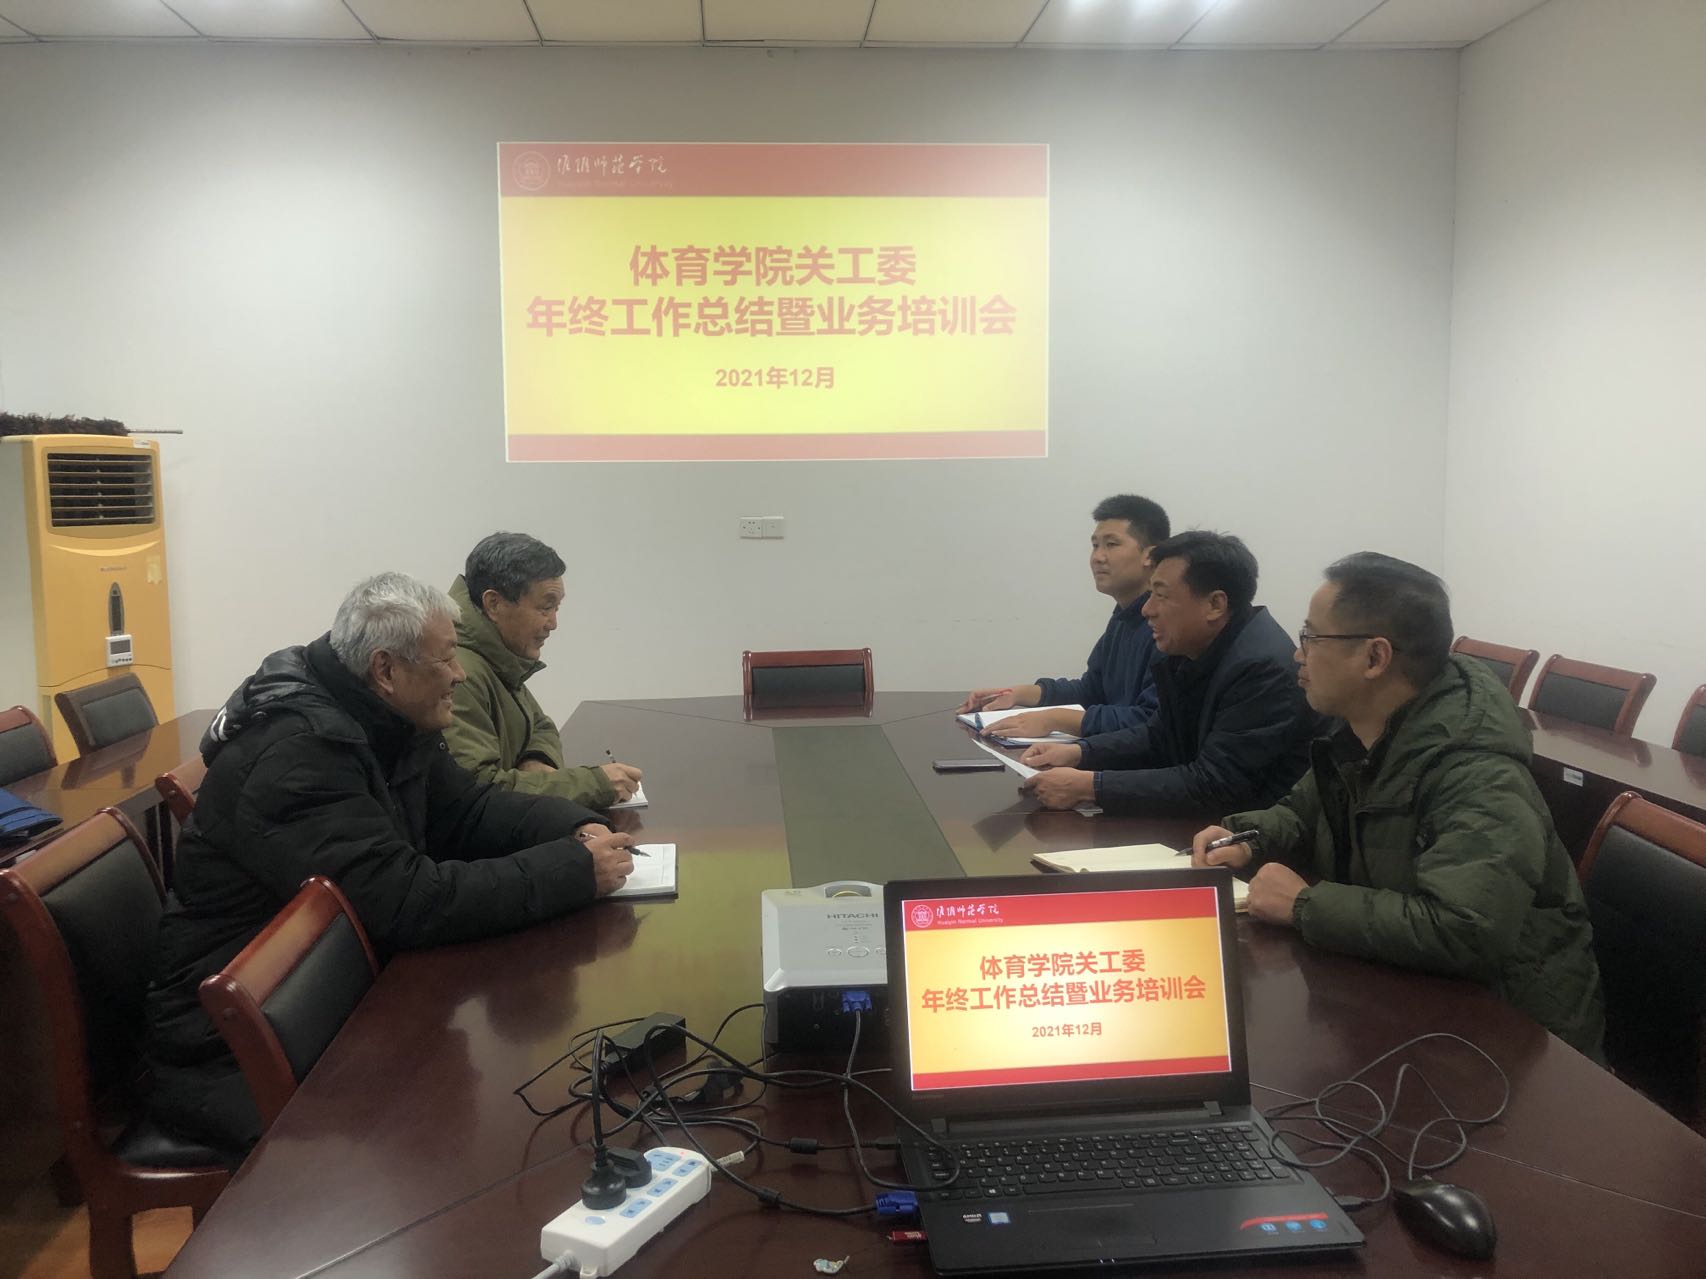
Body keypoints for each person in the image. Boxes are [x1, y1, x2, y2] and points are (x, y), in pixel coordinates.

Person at [143, 572, 637, 1155]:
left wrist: (573, 827)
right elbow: (406, 904)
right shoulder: (300, 759)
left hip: (324, 1005)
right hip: (232, 1051)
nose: (459, 674)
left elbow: (468, 809)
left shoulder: (381, 715)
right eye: (445, 659)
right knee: (484, 1135)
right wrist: (572, 871)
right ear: (386, 669)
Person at [1191, 552, 1604, 1058]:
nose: (1297, 655)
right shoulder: (1366, 731)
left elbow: (1465, 928)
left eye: (1311, 638)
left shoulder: (1476, 773)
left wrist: (1304, 905)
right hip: (1415, 997)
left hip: (1511, 1039)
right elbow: (1302, 811)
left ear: (1374, 658)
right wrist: (1246, 838)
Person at [1018, 531, 1316, 815]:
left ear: (1215, 604)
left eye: (1160, 595)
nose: (1147, 609)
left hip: (1250, 836)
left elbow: (1217, 784)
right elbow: (1159, 735)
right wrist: (1081, 752)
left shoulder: (1262, 668)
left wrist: (1091, 787)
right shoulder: (1188, 649)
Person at [444, 532, 642, 808]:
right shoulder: (459, 673)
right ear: (494, 604)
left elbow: (540, 725)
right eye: (546, 607)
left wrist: (536, 760)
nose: (553, 623)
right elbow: (480, 791)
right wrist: (594, 784)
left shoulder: (498, 655)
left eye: (556, 608)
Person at [957, 494, 1169, 737]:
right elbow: (1092, 691)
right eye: (1095, 545)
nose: (1097, 557)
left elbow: (1151, 720)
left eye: (1111, 544)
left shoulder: (1167, 627)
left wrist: (1055, 719)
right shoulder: (1123, 618)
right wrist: (1019, 694)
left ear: (1150, 556)